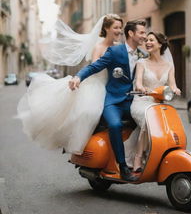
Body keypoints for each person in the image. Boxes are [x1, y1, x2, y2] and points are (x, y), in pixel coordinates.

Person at [17, 14, 123, 155]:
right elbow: (95, 68)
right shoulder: (99, 47)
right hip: (98, 84)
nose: (119, 31)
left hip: (115, 85)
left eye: (120, 28)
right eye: (116, 27)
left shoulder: (120, 47)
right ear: (106, 28)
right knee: (89, 113)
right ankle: (90, 149)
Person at [69, 19, 147, 181]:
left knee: (149, 121)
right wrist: (78, 77)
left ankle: (139, 159)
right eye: (141, 32)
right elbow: (94, 67)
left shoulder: (143, 54)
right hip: (113, 100)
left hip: (133, 101)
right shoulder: (114, 52)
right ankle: (123, 167)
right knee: (115, 124)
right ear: (131, 34)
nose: (144, 36)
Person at [130, 31, 181, 172]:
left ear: (160, 44)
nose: (147, 42)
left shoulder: (169, 65)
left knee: (171, 125)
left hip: (159, 103)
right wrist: (142, 88)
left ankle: (161, 155)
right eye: (146, 40)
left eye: (151, 40)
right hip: (142, 101)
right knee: (149, 120)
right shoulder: (141, 63)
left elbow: (172, 84)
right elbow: (138, 83)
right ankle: (138, 158)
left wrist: (176, 90)